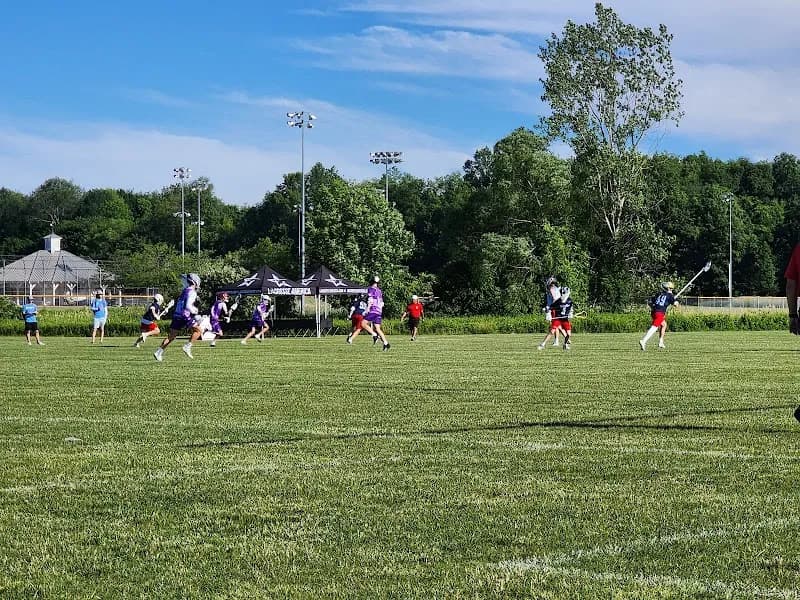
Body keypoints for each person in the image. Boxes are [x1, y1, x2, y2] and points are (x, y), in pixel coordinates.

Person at [154, 273, 203, 361]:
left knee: (172, 336)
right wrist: (195, 311)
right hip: (185, 315)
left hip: (177, 315)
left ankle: (159, 352)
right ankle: (187, 346)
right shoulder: (192, 292)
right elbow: (188, 306)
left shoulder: (185, 290)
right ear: (195, 282)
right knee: (199, 330)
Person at [639, 281, 679, 351]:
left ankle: (661, 342)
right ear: (669, 288)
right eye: (671, 289)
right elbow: (675, 304)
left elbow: (650, 303)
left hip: (654, 312)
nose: (672, 290)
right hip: (660, 313)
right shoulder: (670, 295)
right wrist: (676, 302)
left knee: (664, 325)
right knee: (654, 327)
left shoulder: (659, 294)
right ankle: (643, 340)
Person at [538, 286, 575, 351]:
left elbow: (571, 309)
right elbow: (550, 308)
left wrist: (570, 314)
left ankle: (565, 345)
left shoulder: (570, 301)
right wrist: (547, 311)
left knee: (568, 334)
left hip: (565, 319)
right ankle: (542, 344)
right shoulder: (558, 301)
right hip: (557, 318)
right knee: (552, 331)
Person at [364, 275, 390, 351]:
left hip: (373, 310)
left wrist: (367, 309)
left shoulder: (370, 289)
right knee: (378, 328)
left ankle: (374, 335)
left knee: (363, 324)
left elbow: (370, 300)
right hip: (379, 310)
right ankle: (386, 343)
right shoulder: (379, 290)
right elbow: (382, 302)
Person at [543, 276, 561, 347]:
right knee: (556, 326)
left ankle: (561, 340)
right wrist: (547, 308)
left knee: (555, 326)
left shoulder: (553, 290)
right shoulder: (551, 290)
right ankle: (558, 341)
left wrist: (549, 308)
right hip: (553, 309)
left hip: (555, 309)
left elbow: (555, 300)